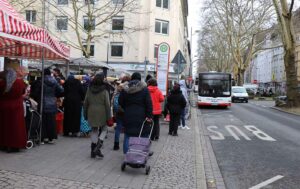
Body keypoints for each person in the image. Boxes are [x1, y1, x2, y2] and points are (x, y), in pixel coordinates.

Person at [119, 72, 153, 154]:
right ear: (140, 79)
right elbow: (149, 103)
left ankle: (127, 154)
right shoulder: (144, 89)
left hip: (128, 114)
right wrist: (149, 116)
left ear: (131, 78)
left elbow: (120, 101)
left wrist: (126, 108)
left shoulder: (125, 89)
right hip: (141, 115)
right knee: (143, 133)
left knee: (128, 134)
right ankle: (142, 152)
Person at [30, 68, 64, 144]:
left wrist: (37, 97)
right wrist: (54, 95)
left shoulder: (40, 82)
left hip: (42, 102)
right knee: (51, 121)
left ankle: (42, 138)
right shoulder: (54, 81)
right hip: (52, 103)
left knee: (42, 121)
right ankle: (51, 138)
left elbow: (35, 93)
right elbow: (61, 91)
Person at [83, 73, 112, 158]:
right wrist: (109, 116)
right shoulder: (105, 90)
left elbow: (85, 103)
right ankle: (99, 144)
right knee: (104, 129)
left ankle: (93, 150)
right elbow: (107, 104)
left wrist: (85, 114)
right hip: (102, 112)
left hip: (91, 111)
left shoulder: (89, 89)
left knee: (94, 130)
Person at [0, 67, 27, 152]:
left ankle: (3, 144)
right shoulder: (20, 82)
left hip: (3, 106)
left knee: (4, 126)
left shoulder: (2, 83)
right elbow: (23, 92)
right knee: (16, 127)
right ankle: (14, 145)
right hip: (16, 107)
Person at [112, 75, 130, 151]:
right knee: (127, 129)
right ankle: (126, 145)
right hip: (127, 111)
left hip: (119, 110)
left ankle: (116, 144)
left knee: (118, 128)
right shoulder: (129, 89)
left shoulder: (118, 88)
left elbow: (113, 100)